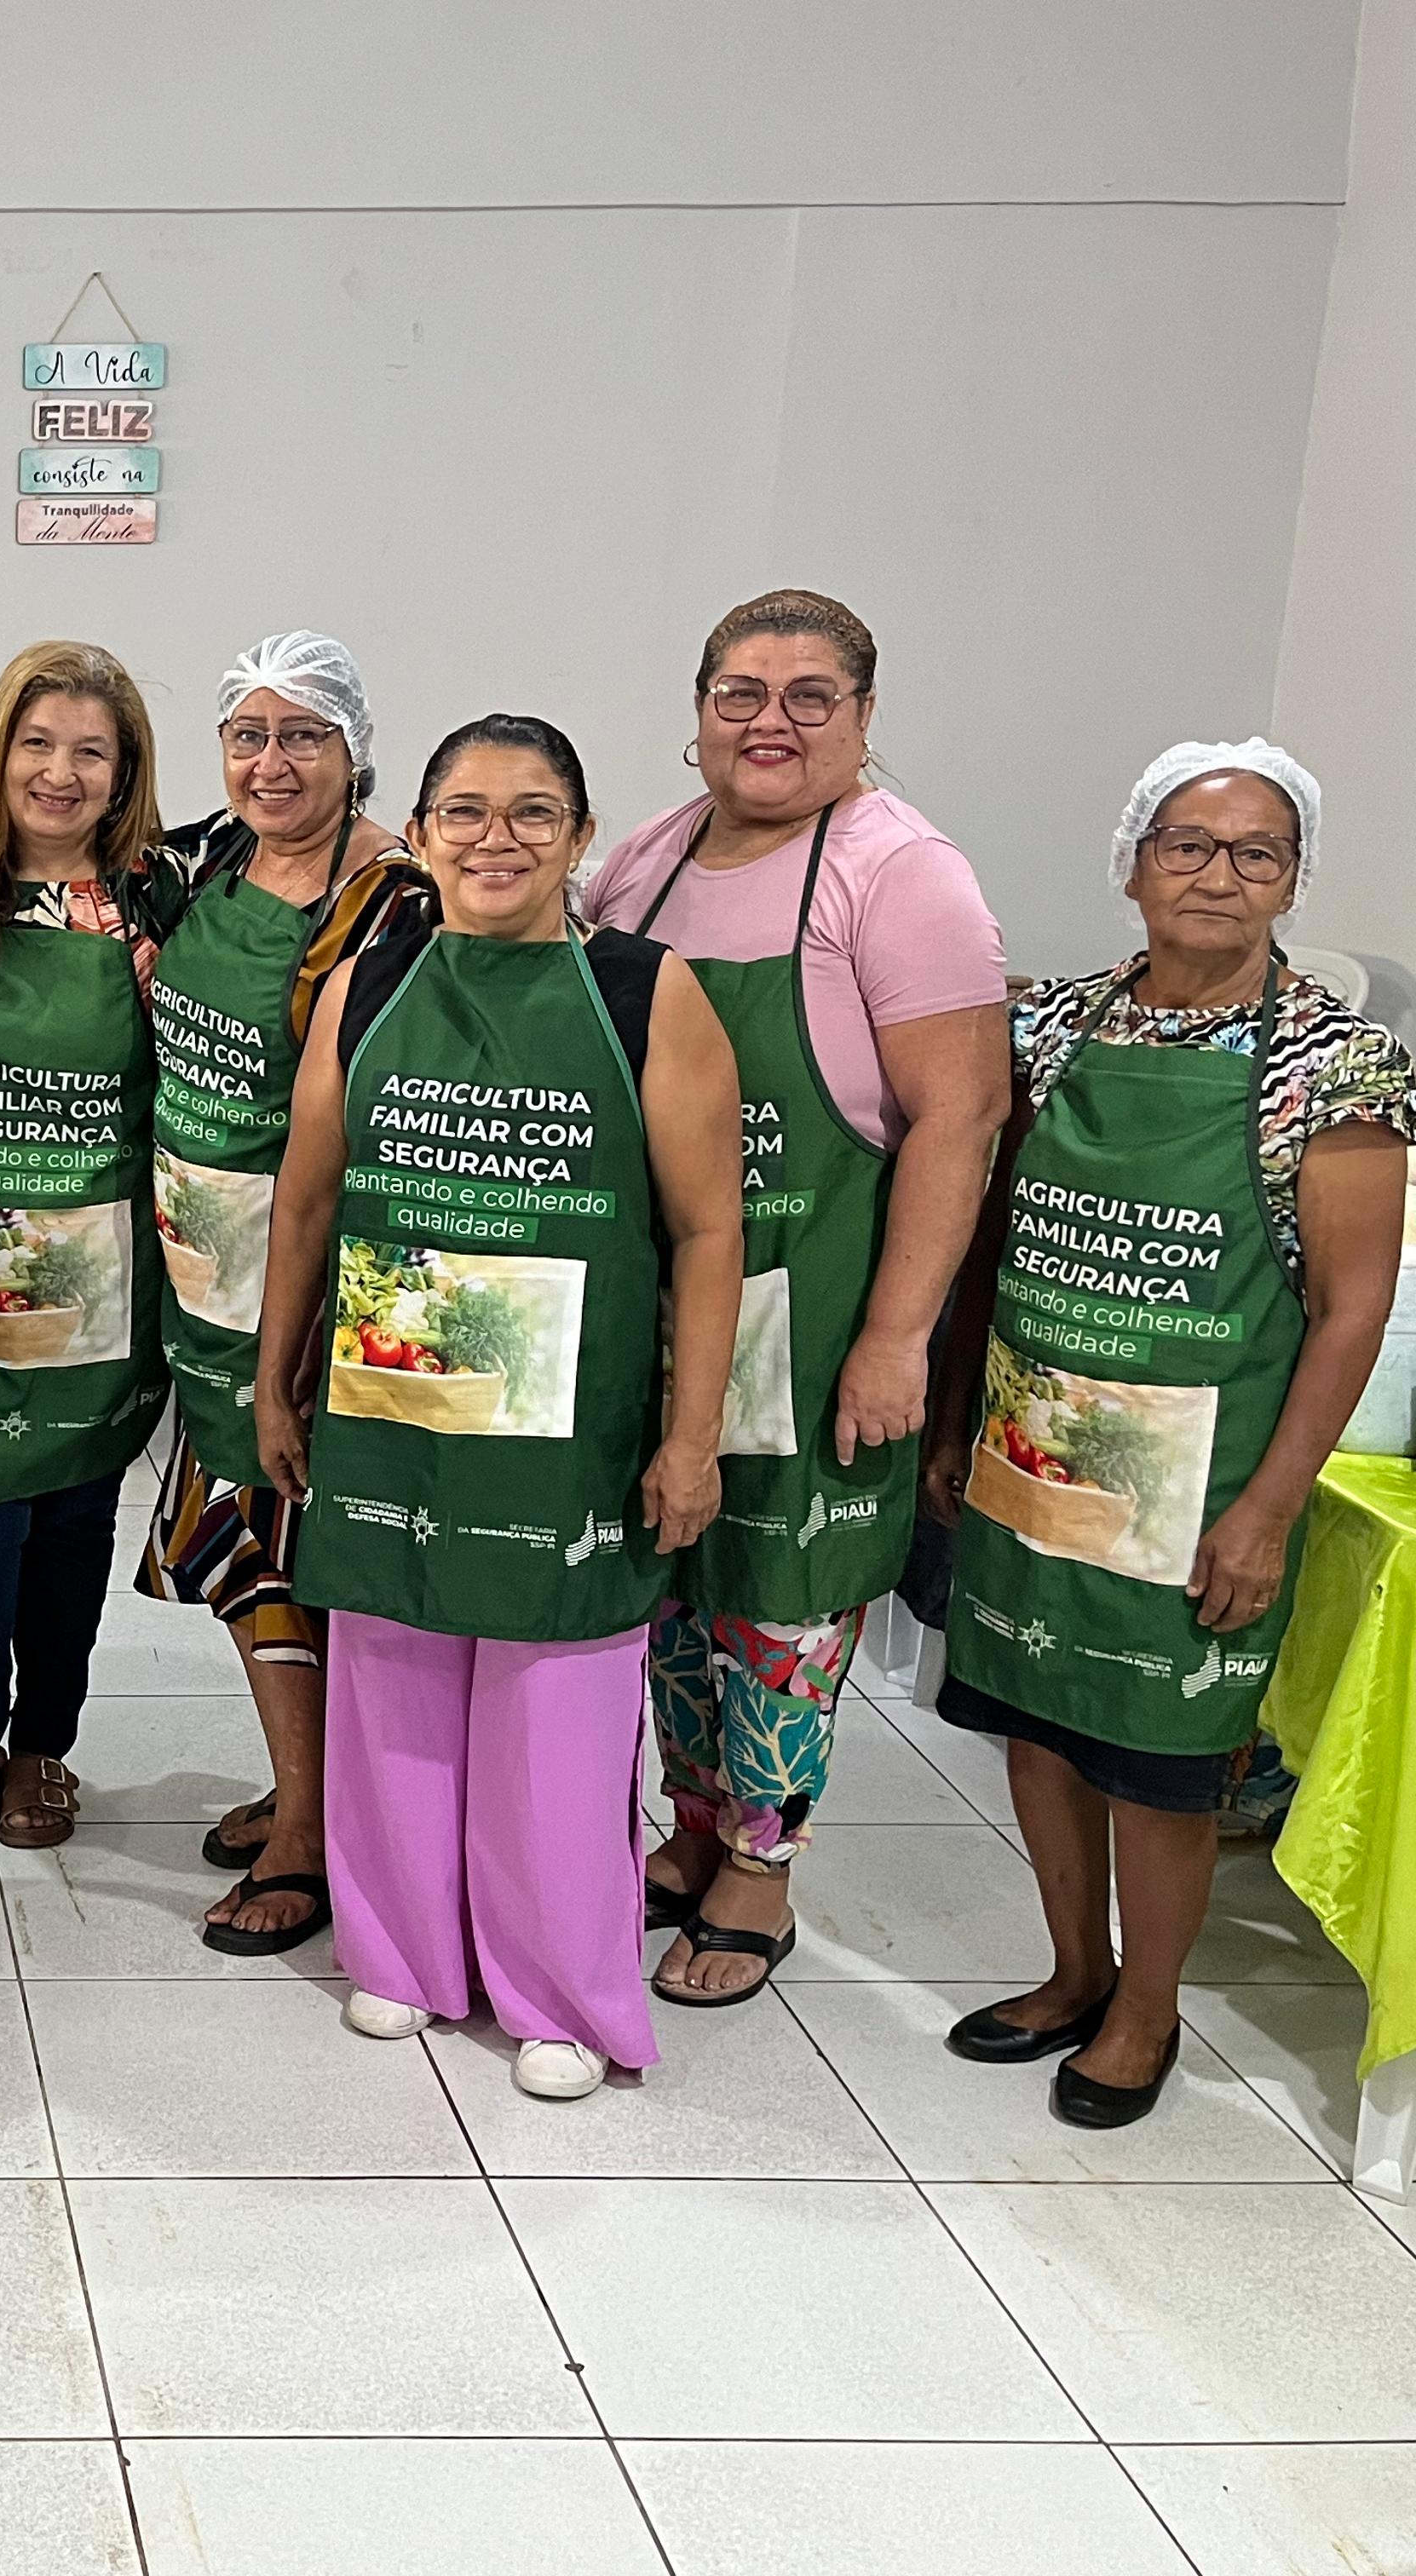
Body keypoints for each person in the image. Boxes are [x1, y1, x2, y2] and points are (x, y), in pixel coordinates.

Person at [255, 714, 745, 2101]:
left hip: (568, 1423)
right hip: (392, 1392)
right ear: (417, 835)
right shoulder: (367, 981)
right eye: (463, 810)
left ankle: (554, 1986)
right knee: (392, 1671)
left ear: (580, 838)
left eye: (533, 812)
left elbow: (710, 1230)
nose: (495, 838)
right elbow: (306, 1193)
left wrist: (688, 1432)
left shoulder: (648, 995)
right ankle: (404, 1951)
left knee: (553, 1702)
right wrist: (270, 1371)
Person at [928, 739, 1409, 2128]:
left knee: (1155, 1754)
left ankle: (1148, 2005)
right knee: (1034, 1721)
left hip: (1199, 1481)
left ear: (1290, 876)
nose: (1216, 873)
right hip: (1037, 1451)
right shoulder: (1058, 1024)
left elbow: (1347, 1312)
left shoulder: (1337, 1064)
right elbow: (990, 1238)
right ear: (1133, 863)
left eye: (1253, 851)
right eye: (1186, 845)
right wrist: (956, 1413)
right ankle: (1072, 1970)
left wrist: (1263, 1511)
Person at [583, 590, 1010, 2006]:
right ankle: (694, 1821)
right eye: (740, 692)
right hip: (663, 1298)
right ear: (696, 711)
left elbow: (962, 1116)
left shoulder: (899, 871)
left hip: (815, 1297)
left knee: (784, 1592)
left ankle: (759, 1858)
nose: (771, 719)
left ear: (864, 718)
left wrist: (895, 1333)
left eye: (811, 694)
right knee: (673, 1577)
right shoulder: (642, 861)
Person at [137, 631, 433, 1955]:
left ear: (354, 746)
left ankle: (317, 1836)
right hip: (201, 1264)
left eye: (302, 735)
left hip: (318, 1271)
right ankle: (305, 1789)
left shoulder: (401, 899)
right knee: (248, 1548)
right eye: (247, 735)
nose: (271, 762)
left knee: (310, 1542)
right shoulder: (198, 865)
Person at [0, 641, 181, 1853]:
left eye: (90, 753)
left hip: (106, 1284)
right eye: (38, 744)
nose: (60, 775)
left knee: (72, 1532)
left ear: (124, 775)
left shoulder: (163, 894)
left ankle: (44, 1748)